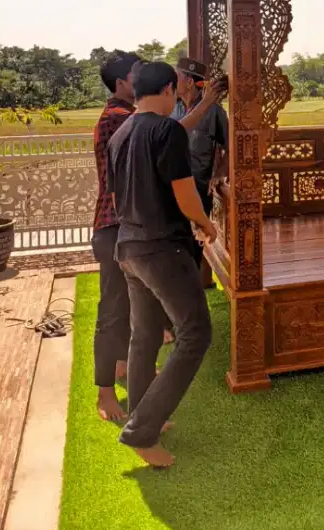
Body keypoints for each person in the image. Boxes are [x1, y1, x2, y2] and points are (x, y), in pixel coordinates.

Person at [91, 51, 224, 424]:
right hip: (146, 238)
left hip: (126, 235)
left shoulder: (124, 126)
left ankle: (139, 409)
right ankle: (131, 411)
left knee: (143, 333)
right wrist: (202, 221)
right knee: (188, 332)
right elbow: (172, 145)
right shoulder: (136, 123)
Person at [91, 51, 142, 423]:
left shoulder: (122, 115)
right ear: (123, 83)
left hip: (122, 225)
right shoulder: (118, 118)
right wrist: (203, 103)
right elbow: (162, 130)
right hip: (114, 225)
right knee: (112, 311)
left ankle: (123, 366)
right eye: (138, 75)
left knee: (126, 303)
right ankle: (105, 396)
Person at [171, 57, 228, 272]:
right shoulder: (171, 109)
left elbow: (231, 146)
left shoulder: (213, 112)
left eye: (176, 77)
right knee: (174, 243)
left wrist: (220, 173)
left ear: (189, 82)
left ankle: (192, 287)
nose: (172, 83)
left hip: (198, 187)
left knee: (195, 244)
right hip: (171, 187)